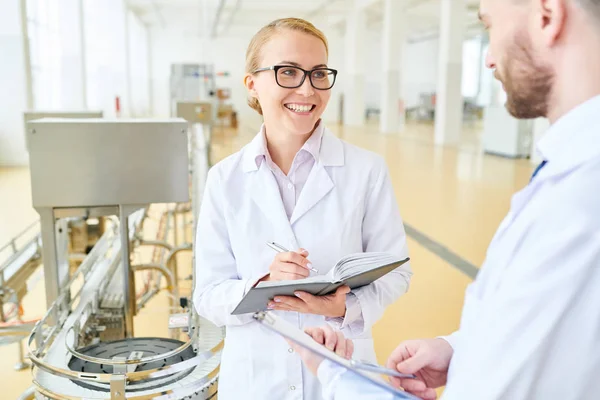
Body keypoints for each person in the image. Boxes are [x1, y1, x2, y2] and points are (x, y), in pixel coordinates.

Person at [292, 0, 600, 399]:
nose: (489, 58)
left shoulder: (578, 200)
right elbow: (562, 341)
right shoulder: (569, 172)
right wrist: (461, 350)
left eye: (490, 27)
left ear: (547, 16)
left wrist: (334, 374)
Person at [192, 17, 413, 399]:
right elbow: (208, 294)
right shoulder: (225, 179)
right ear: (252, 84)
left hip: (341, 372)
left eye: (319, 73)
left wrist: (343, 309)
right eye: (288, 72)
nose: (308, 89)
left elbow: (397, 272)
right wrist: (262, 284)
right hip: (257, 379)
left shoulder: (366, 170)